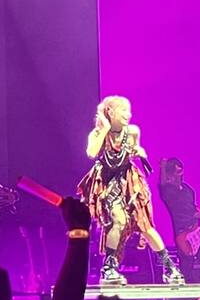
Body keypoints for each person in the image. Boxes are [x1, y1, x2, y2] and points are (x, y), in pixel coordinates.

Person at [78, 96, 182, 285]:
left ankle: (169, 267)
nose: (129, 114)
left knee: (145, 225)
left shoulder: (132, 131)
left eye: (129, 111)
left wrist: (138, 151)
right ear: (110, 112)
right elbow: (92, 153)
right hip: (108, 183)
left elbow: (134, 148)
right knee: (119, 221)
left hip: (129, 182)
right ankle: (109, 268)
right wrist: (105, 129)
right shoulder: (97, 134)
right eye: (123, 110)